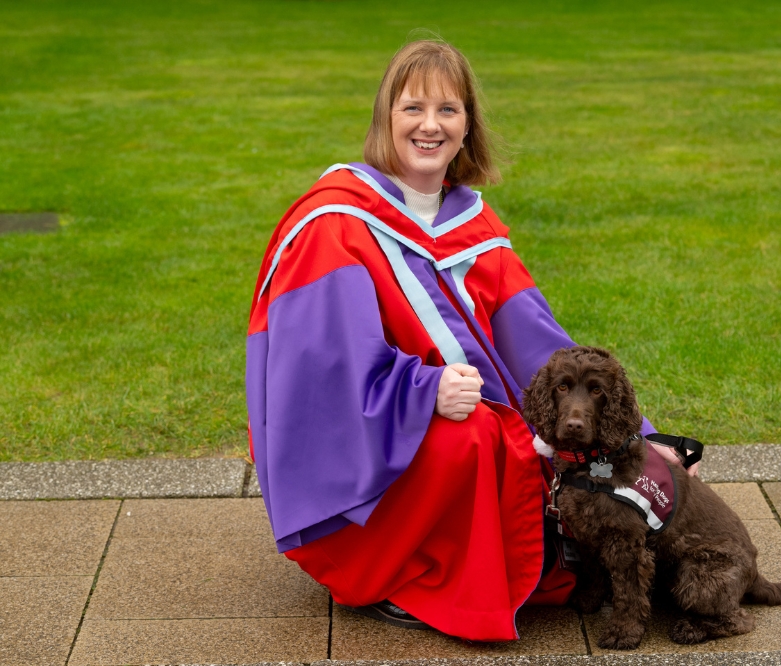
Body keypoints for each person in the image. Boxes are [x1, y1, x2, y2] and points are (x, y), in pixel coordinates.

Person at [245, 39, 698, 643]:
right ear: (386, 117)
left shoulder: (471, 227)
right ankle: (403, 576)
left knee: (542, 443)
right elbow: (322, 372)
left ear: (467, 127)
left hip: (461, 406)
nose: (430, 126)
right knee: (475, 438)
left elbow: (538, 345)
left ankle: (533, 558)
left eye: (448, 110)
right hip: (370, 433)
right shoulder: (335, 227)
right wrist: (423, 389)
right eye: (413, 108)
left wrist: (643, 439)